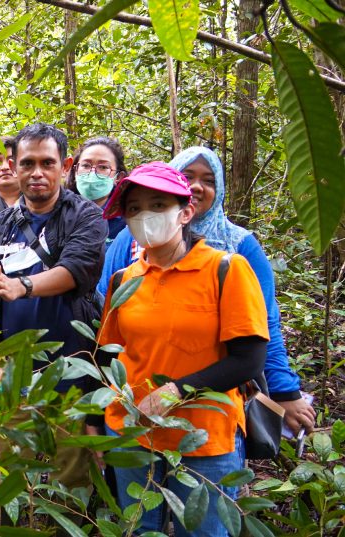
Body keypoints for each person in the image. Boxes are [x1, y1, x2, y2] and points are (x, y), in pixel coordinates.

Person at [97, 162, 269, 536]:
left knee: (205, 531)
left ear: (185, 212)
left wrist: (174, 391)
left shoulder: (226, 269)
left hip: (204, 438)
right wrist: (97, 425)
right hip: (131, 433)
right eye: (134, 208)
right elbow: (110, 356)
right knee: (139, 529)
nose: (145, 216)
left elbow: (248, 359)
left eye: (158, 205)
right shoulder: (122, 281)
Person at [97, 146, 315, 435]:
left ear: (184, 210)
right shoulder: (129, 242)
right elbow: (108, 331)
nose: (197, 187)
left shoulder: (236, 250)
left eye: (209, 180)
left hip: (207, 419)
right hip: (134, 417)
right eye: (187, 177)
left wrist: (285, 391)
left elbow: (264, 327)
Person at [0, 123, 107, 489]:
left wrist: (22, 286)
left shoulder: (86, 216)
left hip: (70, 371)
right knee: (0, 477)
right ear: (14, 167)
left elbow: (75, 271)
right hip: (12, 374)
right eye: (27, 163)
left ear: (66, 166)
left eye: (47, 163)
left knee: (72, 478)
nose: (37, 173)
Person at [65, 136, 128, 250]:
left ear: (118, 177)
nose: (92, 173)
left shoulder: (128, 219)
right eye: (86, 165)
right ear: (75, 171)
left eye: (103, 167)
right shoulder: (58, 211)